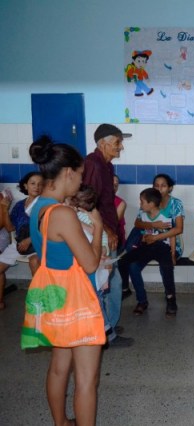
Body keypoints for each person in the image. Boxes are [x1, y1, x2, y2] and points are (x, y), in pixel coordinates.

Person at [28, 135, 104, 425]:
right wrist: (97, 227)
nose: (80, 181)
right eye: (81, 174)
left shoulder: (39, 206)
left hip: (54, 297)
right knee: (87, 378)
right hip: (75, 303)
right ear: (69, 172)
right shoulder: (62, 213)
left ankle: (60, 422)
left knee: (60, 367)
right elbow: (90, 263)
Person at [83, 123, 133, 347]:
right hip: (100, 233)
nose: (120, 147)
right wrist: (108, 230)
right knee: (106, 283)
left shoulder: (107, 165)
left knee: (112, 281)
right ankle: (105, 333)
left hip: (108, 230)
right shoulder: (92, 164)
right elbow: (89, 202)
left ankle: (109, 324)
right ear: (103, 143)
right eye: (117, 143)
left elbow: (106, 201)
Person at [119, 187, 178, 317]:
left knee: (167, 268)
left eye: (142, 202)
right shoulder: (143, 215)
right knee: (124, 261)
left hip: (162, 247)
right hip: (147, 246)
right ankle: (135, 296)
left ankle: (171, 300)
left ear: (151, 204)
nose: (140, 204)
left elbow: (172, 235)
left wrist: (173, 253)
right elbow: (141, 229)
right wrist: (146, 235)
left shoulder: (165, 217)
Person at [0, 172, 43, 310]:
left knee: (34, 261)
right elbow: (10, 228)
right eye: (32, 183)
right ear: (26, 185)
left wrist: (29, 240)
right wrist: (5, 210)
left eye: (40, 184)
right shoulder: (19, 205)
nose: (36, 187)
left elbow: (48, 229)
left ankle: (38, 302)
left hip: (38, 244)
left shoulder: (44, 205)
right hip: (18, 244)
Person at [113, 174, 131, 299]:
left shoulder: (120, 203)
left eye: (116, 184)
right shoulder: (96, 200)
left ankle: (123, 288)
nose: (114, 186)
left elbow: (113, 223)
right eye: (111, 182)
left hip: (115, 239)